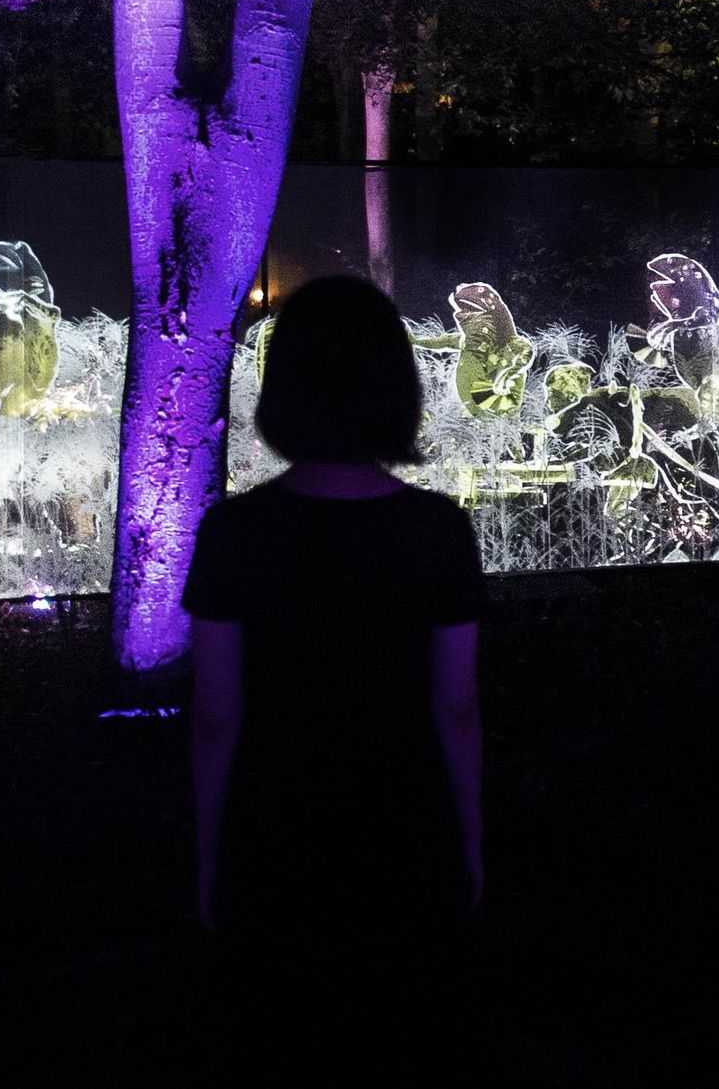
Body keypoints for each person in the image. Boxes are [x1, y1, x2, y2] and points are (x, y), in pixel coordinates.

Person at [186, 273, 486, 1032]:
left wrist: (211, 852)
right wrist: (469, 841)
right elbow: (456, 708)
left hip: (273, 833)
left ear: (284, 386)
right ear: (396, 387)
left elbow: (216, 717)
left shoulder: (233, 533)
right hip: (406, 830)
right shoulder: (439, 530)